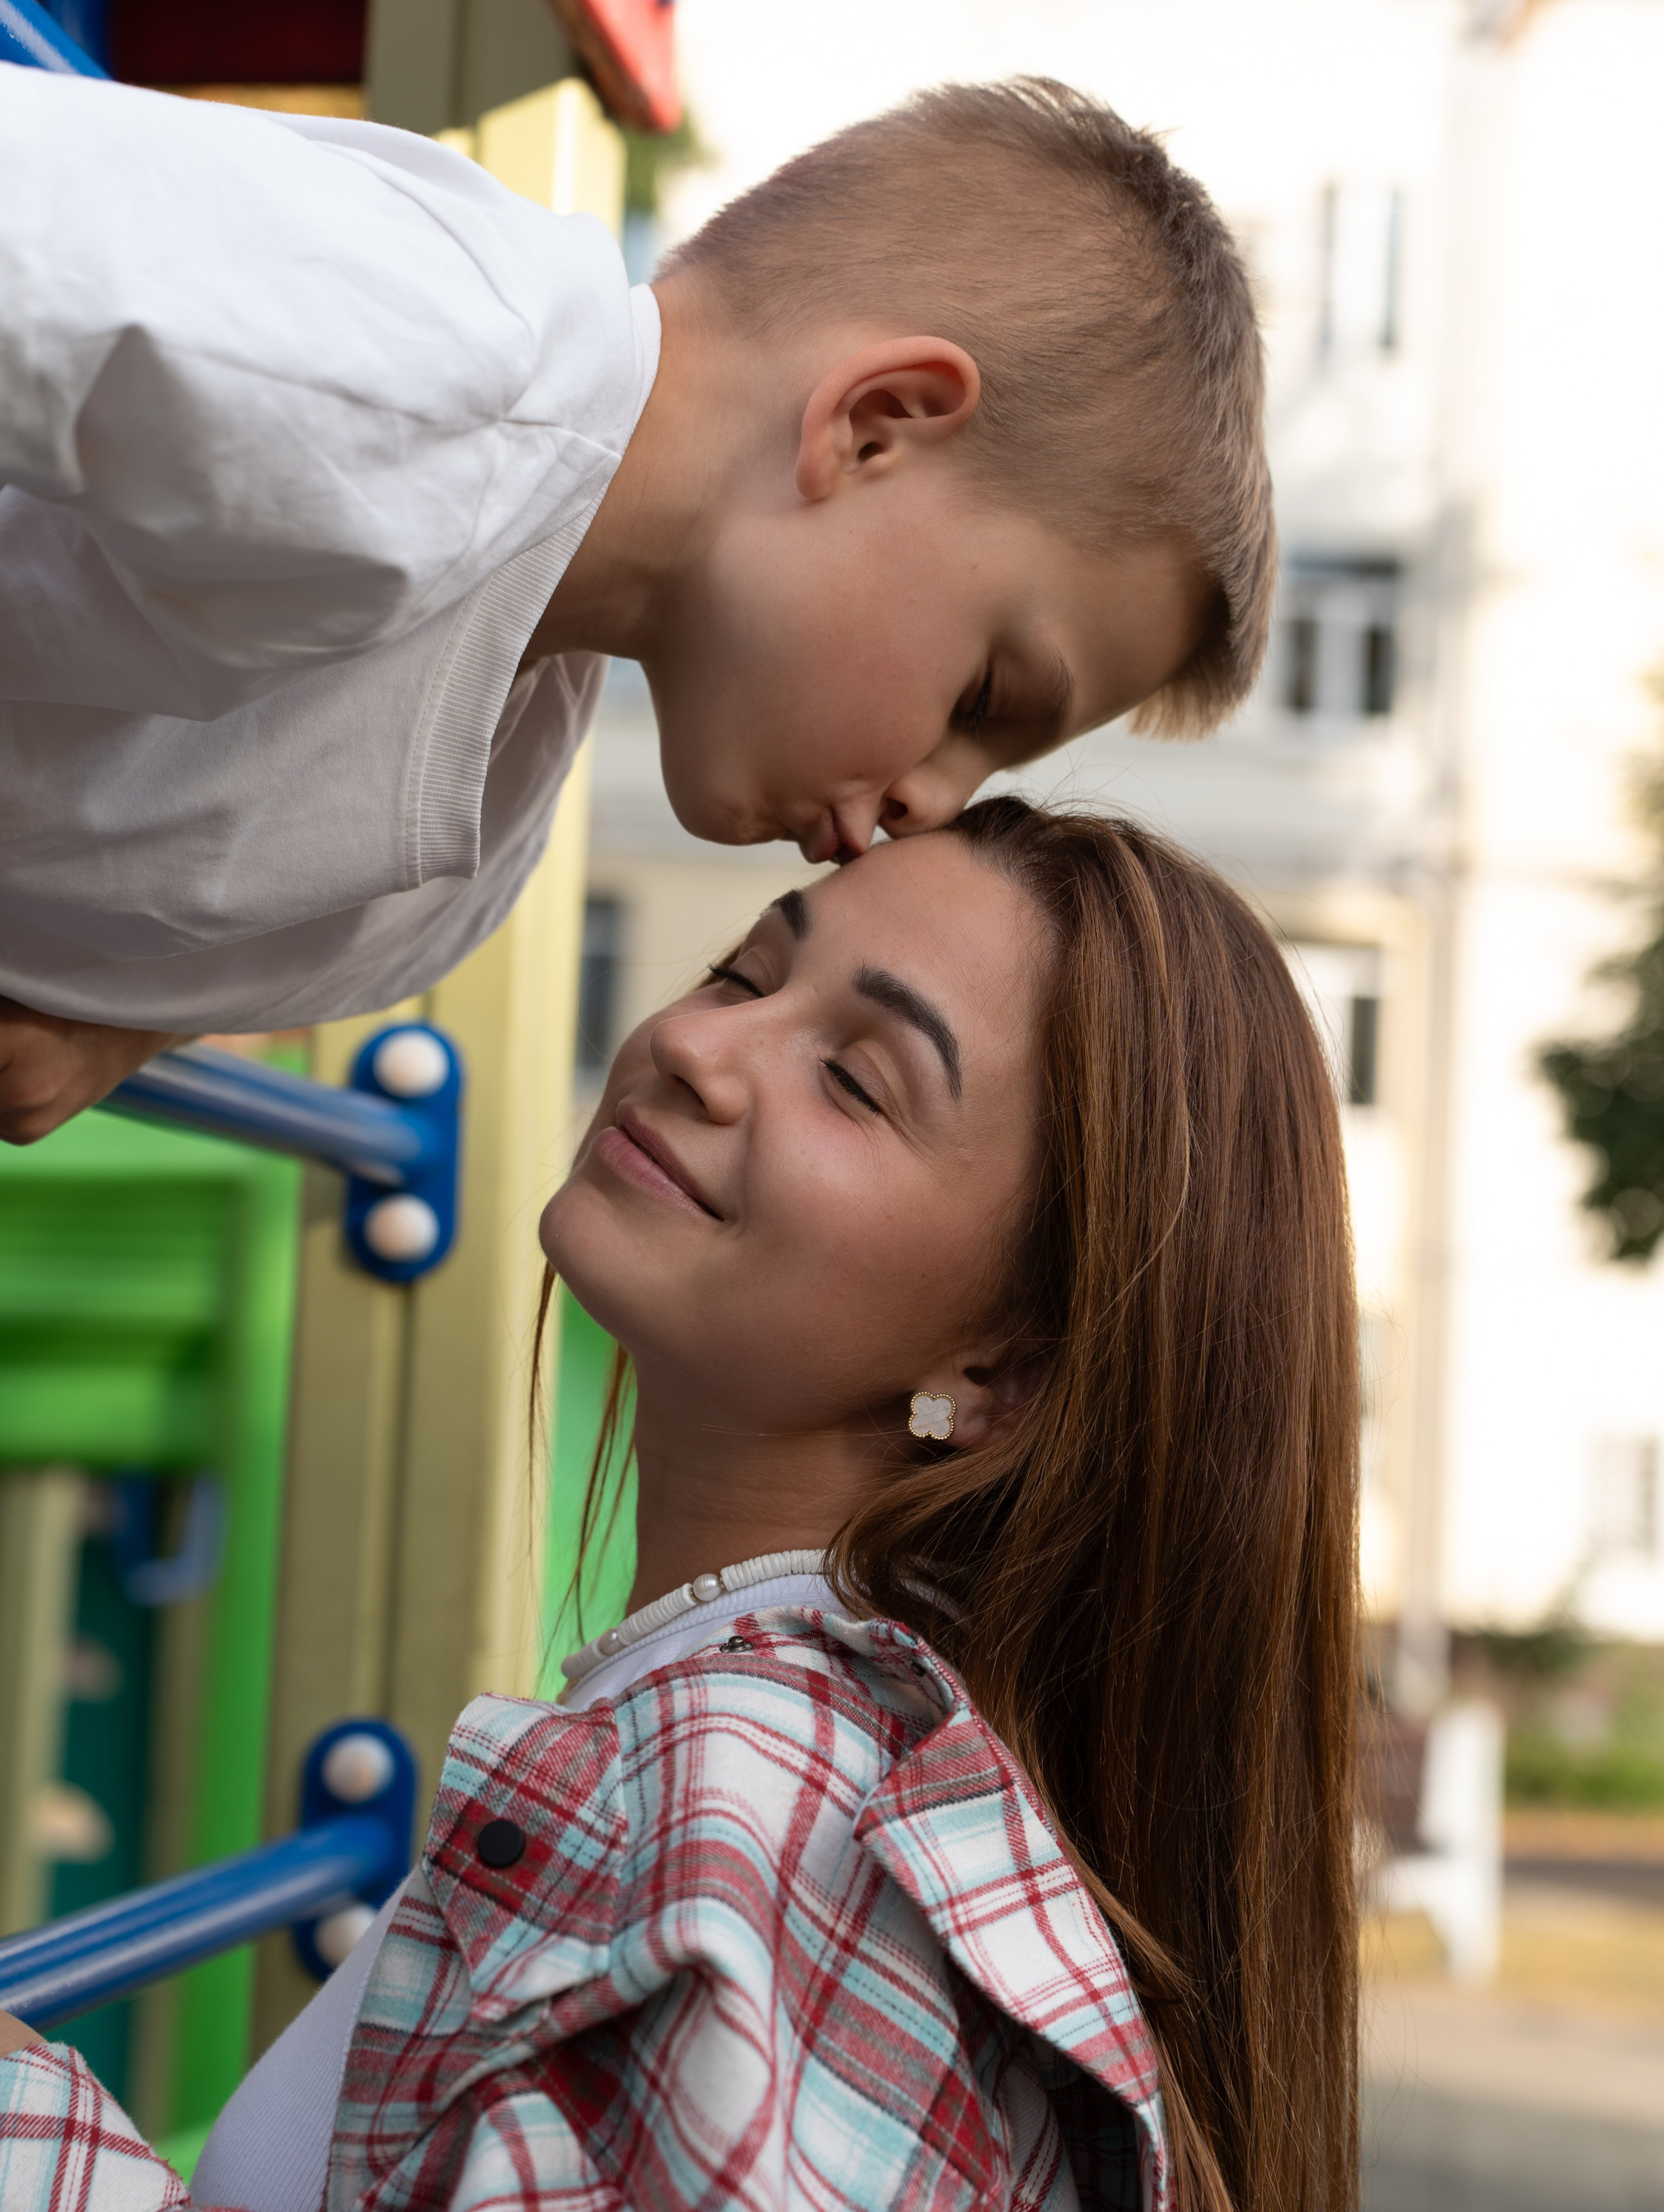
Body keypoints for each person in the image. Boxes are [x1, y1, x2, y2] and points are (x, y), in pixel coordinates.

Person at [0, 800, 1359, 2212]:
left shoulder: (753, 1806)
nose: (696, 1047)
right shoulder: (826, 1759)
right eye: (744, 973)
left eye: (856, 1081)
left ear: (999, 1370)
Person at [0, 73, 1274, 1143]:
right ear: (872, 430)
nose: (930, 809)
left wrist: (116, 1032)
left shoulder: (464, 858)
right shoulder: (421, 356)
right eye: (984, 700)